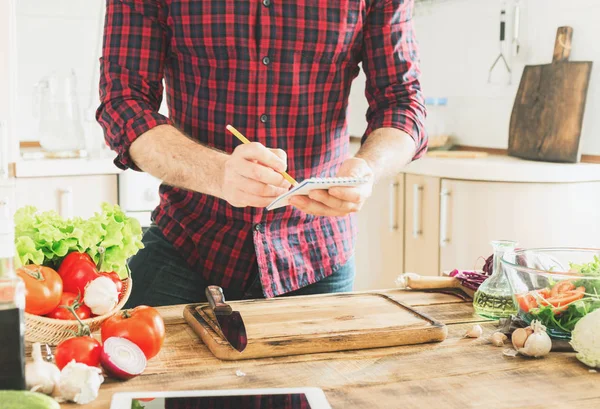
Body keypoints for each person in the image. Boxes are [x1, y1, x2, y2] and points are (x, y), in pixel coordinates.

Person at [97, 0, 427, 307]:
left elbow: (402, 102)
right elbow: (124, 102)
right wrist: (217, 173)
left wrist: (366, 168)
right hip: (186, 246)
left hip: (317, 256)